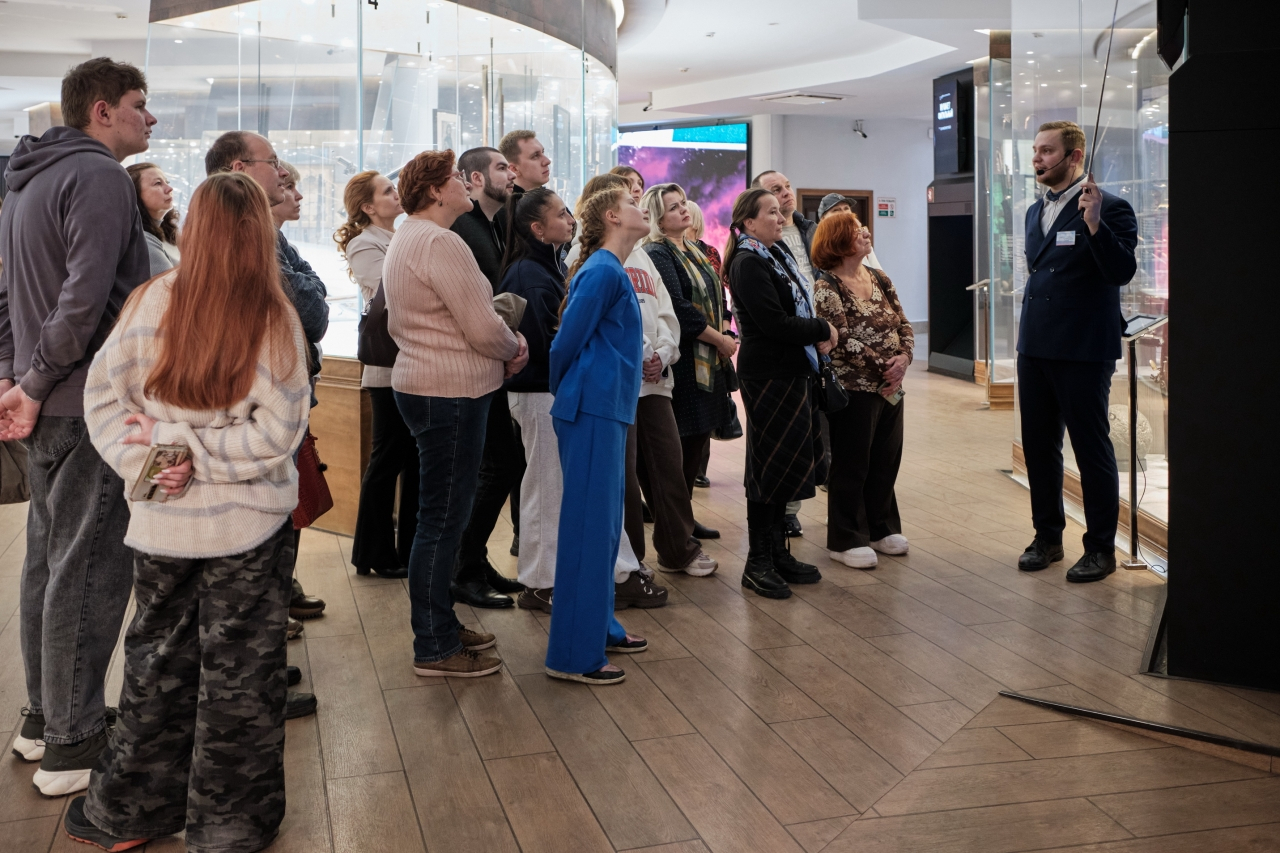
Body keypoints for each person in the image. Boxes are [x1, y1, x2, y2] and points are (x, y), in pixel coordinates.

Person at [64, 170, 311, 853]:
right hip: (248, 525)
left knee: (155, 663)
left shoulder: (148, 301)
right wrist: (199, 450)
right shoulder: (274, 320)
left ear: (191, 228)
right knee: (242, 674)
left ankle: (130, 813)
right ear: (260, 235)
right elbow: (276, 436)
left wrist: (162, 454)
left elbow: (102, 402)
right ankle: (229, 826)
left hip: (161, 518)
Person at [0, 57, 172, 797]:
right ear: (102, 111)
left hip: (48, 401)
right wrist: (35, 382)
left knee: (48, 563)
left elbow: (5, 297)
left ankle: (45, 720)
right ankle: (72, 744)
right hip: (89, 403)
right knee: (92, 570)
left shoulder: (25, 179)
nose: (150, 117)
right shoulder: (100, 176)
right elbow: (84, 296)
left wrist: (15, 380)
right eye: (139, 103)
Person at [384, 149, 527, 677]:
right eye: (454, 178)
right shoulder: (440, 241)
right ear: (435, 191)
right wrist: (514, 347)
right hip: (449, 390)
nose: (465, 184)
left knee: (439, 518)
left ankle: (440, 621)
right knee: (443, 521)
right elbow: (482, 325)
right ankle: (435, 645)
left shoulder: (410, 235)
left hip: (429, 386)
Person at [205, 136, 325, 716]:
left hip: (261, 429)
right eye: (273, 164)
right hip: (250, 433)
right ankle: (250, 690)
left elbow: (313, 302)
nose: (283, 175)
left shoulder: (268, 243)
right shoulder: (246, 249)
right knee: (253, 561)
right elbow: (311, 309)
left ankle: (259, 674)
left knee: (270, 552)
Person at [1017, 120, 1137, 583]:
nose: (1037, 158)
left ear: (1075, 156)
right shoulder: (1034, 210)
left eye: (1047, 151)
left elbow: (1120, 271)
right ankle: (1047, 538)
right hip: (1035, 345)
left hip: (1083, 348)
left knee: (1090, 448)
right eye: (1036, 150)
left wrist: (1093, 224)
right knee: (1038, 446)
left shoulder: (1111, 207)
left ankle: (1101, 548)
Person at [545, 183, 651, 685]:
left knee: (605, 528)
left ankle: (599, 626)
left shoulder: (610, 269)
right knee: (589, 530)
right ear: (611, 216)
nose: (640, 208)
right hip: (591, 407)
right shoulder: (603, 270)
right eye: (631, 203)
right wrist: (568, 391)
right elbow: (564, 344)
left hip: (606, 407)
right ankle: (572, 654)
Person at [725, 188, 837, 599]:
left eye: (779, 211)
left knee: (787, 466)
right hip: (768, 375)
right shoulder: (747, 261)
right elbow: (774, 323)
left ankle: (777, 552)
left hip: (791, 372)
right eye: (770, 212)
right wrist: (822, 329)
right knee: (769, 467)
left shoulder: (776, 253)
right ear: (749, 222)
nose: (780, 217)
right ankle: (757, 563)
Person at [811, 212, 913, 569]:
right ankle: (845, 538)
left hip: (891, 387)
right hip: (854, 388)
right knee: (852, 463)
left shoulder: (879, 277)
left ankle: (880, 528)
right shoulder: (827, 286)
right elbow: (840, 338)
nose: (865, 233)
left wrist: (904, 358)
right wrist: (886, 366)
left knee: (886, 459)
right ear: (838, 241)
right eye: (856, 231)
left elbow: (903, 323)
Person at [451, 146, 526, 606]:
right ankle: (464, 568)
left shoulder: (494, 225)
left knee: (500, 465)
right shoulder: (464, 227)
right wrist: (508, 343)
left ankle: (473, 562)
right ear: (475, 178)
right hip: (470, 365)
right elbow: (480, 303)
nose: (511, 173)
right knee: (499, 466)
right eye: (501, 167)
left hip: (490, 362)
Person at [642, 183, 735, 541]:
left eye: (682, 203)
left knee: (696, 443)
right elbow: (679, 308)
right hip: (683, 360)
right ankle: (674, 524)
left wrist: (726, 331)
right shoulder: (657, 252)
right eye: (673, 207)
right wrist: (719, 339)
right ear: (657, 219)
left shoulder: (694, 248)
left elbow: (716, 295)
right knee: (679, 448)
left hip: (708, 360)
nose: (683, 210)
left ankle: (685, 517)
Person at [339, 170, 414, 580]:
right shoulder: (364, 243)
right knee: (387, 459)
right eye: (387, 191)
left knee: (409, 459)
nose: (395, 194)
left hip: (409, 364)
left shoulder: (399, 235)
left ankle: (405, 550)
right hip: (387, 369)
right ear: (368, 206)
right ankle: (373, 551)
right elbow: (395, 286)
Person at [752, 170, 818, 537]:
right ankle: (785, 516)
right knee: (784, 442)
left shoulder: (811, 230)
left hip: (819, 341)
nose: (786, 194)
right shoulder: (755, 253)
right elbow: (772, 317)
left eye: (788, 187)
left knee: (813, 433)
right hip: (789, 347)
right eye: (776, 191)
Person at [126, 161, 180, 275]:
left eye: (167, 182)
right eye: (158, 183)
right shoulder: (143, 241)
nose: (169, 188)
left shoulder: (169, 232)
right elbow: (171, 284)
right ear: (135, 193)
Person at [816, 193, 883, 270]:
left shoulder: (862, 242)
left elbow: (879, 273)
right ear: (823, 219)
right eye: (836, 210)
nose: (844, 213)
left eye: (846, 208)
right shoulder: (823, 247)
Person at [499, 129, 551, 194]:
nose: (547, 161)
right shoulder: (506, 200)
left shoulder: (546, 197)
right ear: (514, 169)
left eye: (543, 152)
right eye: (535, 156)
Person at [684, 199, 722, 277]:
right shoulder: (674, 251)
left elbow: (720, 281)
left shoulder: (712, 251)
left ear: (696, 219)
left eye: (685, 217)